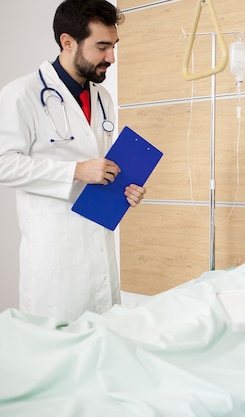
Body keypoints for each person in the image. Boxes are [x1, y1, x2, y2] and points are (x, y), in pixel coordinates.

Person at [0, 0, 145, 322]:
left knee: (101, 341)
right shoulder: (20, 94)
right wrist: (76, 171)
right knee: (57, 348)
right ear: (68, 42)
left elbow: (102, 166)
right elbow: (3, 163)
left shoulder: (102, 97)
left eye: (114, 46)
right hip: (54, 252)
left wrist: (125, 187)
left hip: (99, 239)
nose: (112, 58)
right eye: (102, 47)